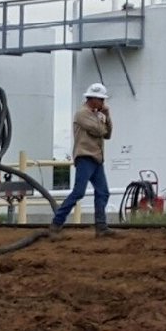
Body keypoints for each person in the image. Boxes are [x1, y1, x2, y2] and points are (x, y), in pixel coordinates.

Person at [52, 83, 113, 235]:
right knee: (79, 192)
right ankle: (56, 223)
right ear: (93, 99)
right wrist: (104, 119)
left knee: (103, 192)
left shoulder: (96, 115)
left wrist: (107, 117)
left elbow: (108, 134)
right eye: (101, 100)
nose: (103, 103)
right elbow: (100, 130)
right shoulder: (82, 114)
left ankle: (101, 226)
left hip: (96, 158)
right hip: (85, 157)